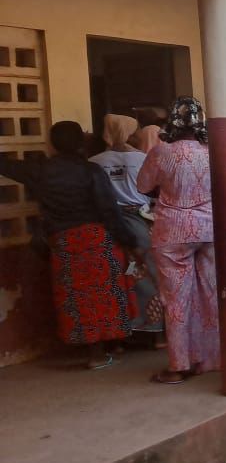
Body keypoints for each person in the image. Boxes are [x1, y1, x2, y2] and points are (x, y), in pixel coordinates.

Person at [1, 121, 139, 369]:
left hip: (64, 242)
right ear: (80, 143)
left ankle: (94, 351)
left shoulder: (40, 170)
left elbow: (8, 166)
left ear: (52, 144)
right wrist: (130, 241)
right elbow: (109, 210)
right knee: (104, 294)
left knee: (78, 297)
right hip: (97, 239)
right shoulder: (92, 171)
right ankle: (107, 348)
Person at [137, 97, 220, 383]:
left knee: (176, 299)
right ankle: (210, 359)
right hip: (209, 229)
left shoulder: (161, 152)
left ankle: (179, 365)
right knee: (209, 294)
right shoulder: (213, 151)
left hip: (172, 232)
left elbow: (143, 185)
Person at [89, 113, 159, 332]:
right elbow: (154, 193)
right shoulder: (143, 159)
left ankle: (121, 329)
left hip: (106, 225)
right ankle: (153, 329)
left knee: (115, 277)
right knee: (148, 276)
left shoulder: (94, 162)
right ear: (128, 133)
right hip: (142, 224)